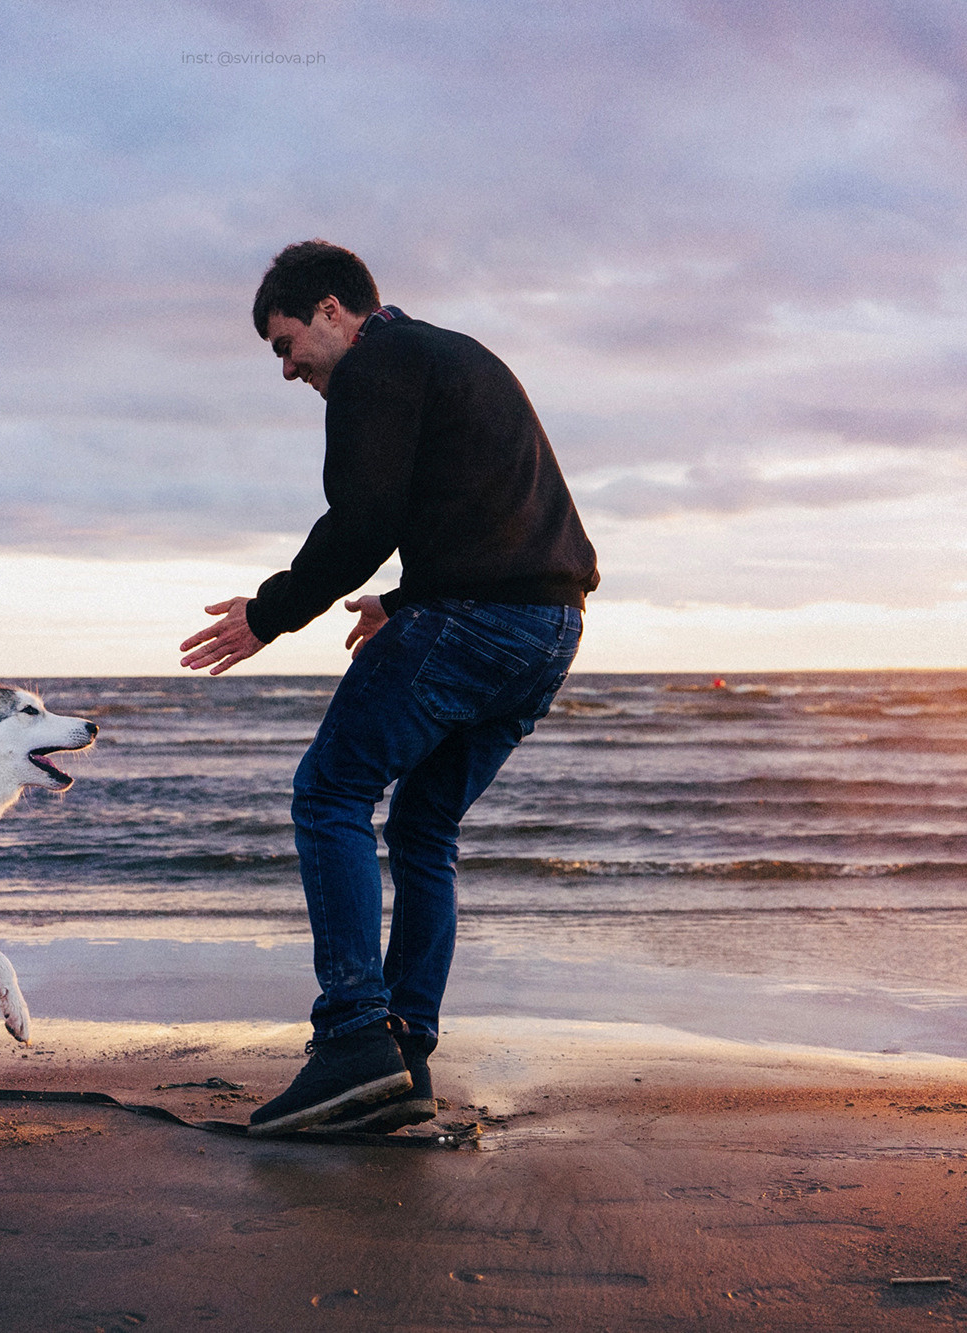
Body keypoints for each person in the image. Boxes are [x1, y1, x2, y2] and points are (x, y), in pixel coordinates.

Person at [180, 240, 600, 1136]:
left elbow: (363, 519)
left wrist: (269, 614)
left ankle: (354, 1041)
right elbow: (488, 512)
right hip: (549, 626)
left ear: (334, 310)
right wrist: (408, 601)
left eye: (287, 344)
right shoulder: (452, 356)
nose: (286, 369)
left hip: (480, 618)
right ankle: (405, 1056)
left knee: (329, 790)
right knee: (421, 826)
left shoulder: (377, 365)